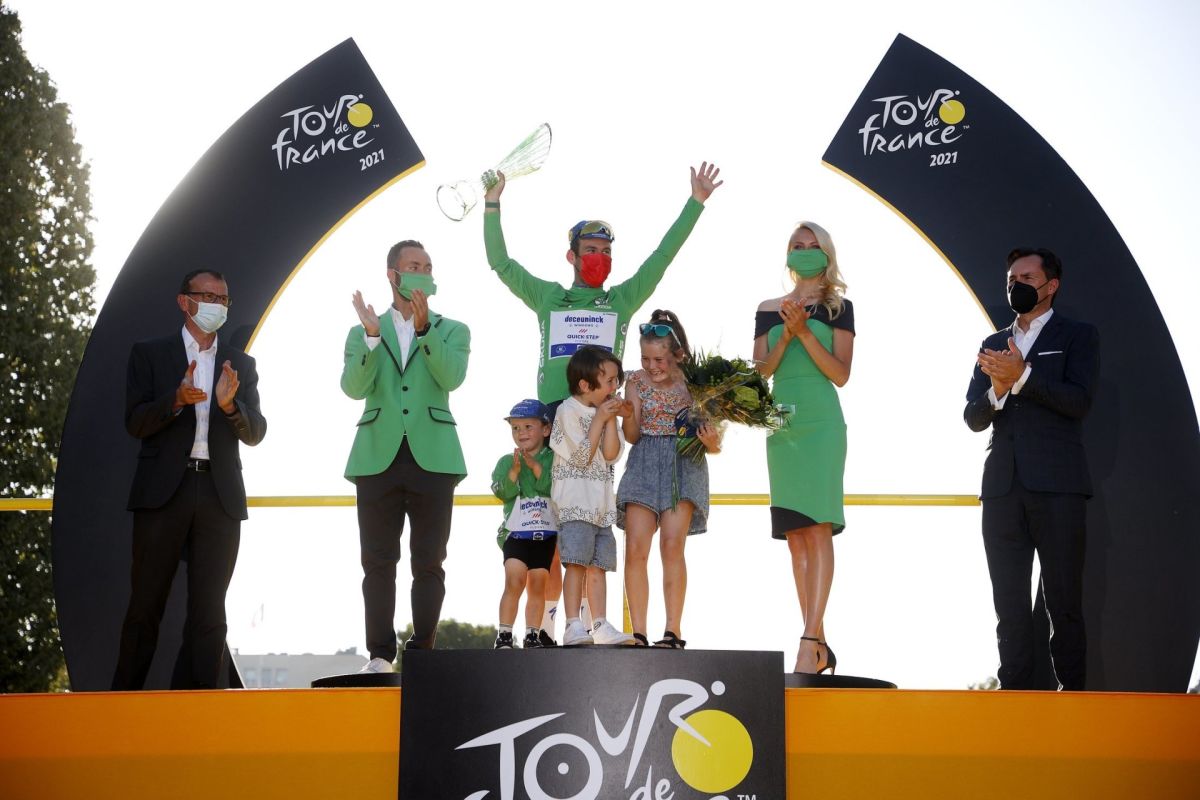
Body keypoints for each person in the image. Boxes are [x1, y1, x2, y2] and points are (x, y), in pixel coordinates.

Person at [483, 161, 723, 641]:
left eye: (606, 252)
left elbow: (661, 258)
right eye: (591, 251)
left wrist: (695, 202)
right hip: (556, 422)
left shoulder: (621, 300)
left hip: (604, 423)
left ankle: (593, 623)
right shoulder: (549, 297)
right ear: (571, 256)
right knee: (549, 526)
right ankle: (544, 623)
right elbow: (501, 265)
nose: (599, 258)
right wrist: (492, 204)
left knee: (593, 526)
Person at [112, 269, 267, 690]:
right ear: (185, 301)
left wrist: (230, 407)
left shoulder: (240, 364)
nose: (217, 306)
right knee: (146, 605)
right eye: (209, 297)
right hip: (164, 492)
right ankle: (120, 704)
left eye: (223, 299)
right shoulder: (150, 354)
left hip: (219, 494)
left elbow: (256, 432)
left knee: (210, 614)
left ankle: (200, 709)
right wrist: (176, 400)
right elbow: (135, 421)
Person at [964, 247, 1099, 690]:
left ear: (1050, 285)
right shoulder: (991, 344)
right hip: (1001, 490)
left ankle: (1072, 698)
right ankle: (1015, 699)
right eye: (1011, 279)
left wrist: (1022, 377)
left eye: (1026, 277)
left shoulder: (1078, 335)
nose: (1016, 285)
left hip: (1059, 488)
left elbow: (1078, 401)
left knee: (1063, 601)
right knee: (1009, 605)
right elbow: (972, 417)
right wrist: (998, 390)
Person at [342, 239, 470, 673]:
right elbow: (353, 388)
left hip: (434, 457)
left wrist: (424, 328)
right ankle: (380, 654)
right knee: (377, 562)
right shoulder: (362, 330)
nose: (423, 272)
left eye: (428, 266)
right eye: (414, 265)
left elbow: (451, 377)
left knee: (430, 560)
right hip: (376, 457)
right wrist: (372, 337)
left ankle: (422, 649)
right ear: (392, 274)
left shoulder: (452, 329)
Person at [754, 222, 854, 675]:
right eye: (798, 245)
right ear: (788, 253)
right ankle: (818, 642)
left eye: (814, 246)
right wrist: (787, 332)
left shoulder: (840, 308)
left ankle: (809, 639)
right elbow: (760, 372)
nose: (806, 251)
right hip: (782, 423)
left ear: (826, 254)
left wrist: (806, 332)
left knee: (818, 529)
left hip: (822, 422)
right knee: (795, 538)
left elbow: (841, 373)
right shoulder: (767, 309)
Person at [618, 311, 721, 648]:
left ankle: (672, 631)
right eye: (645, 358)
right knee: (636, 547)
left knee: (672, 545)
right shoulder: (634, 381)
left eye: (659, 359)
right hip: (644, 460)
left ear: (677, 355)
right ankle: (638, 633)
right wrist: (629, 417)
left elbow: (714, 441)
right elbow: (632, 436)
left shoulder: (696, 381)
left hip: (683, 463)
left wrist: (712, 442)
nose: (652, 366)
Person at [550, 345, 636, 646]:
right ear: (586, 385)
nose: (615, 387)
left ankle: (600, 624)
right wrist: (600, 418)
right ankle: (573, 624)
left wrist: (611, 419)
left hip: (601, 505)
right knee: (576, 563)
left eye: (616, 381)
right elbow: (580, 457)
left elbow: (611, 454)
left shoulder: (605, 413)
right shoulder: (566, 411)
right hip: (574, 504)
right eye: (609, 381)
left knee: (599, 565)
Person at [491, 399, 557, 649]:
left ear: (546, 429)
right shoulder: (506, 461)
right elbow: (501, 491)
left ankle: (532, 634)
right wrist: (514, 472)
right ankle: (504, 634)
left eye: (528, 426)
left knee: (538, 585)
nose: (521, 433)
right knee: (514, 580)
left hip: (545, 534)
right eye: (515, 428)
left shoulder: (554, 458)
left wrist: (535, 467)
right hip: (516, 534)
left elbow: (554, 488)